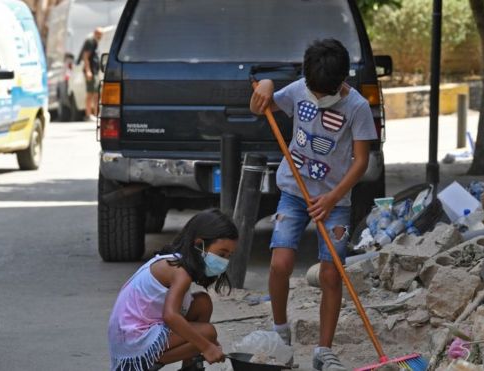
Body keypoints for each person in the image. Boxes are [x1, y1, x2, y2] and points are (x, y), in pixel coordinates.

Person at [250, 38, 377, 371]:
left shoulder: (358, 108)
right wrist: (265, 85)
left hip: (335, 200)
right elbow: (259, 107)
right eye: (315, 92)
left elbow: (361, 161)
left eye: (326, 94)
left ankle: (324, 350)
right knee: (280, 263)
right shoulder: (298, 90)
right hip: (294, 191)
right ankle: (280, 332)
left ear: (341, 82)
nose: (319, 99)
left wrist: (332, 198)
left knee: (331, 275)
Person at [107, 209, 238, 371]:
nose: (224, 261)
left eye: (228, 256)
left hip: (138, 332)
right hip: (132, 341)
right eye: (221, 254)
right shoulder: (180, 271)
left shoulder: (176, 261)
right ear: (199, 245)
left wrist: (203, 344)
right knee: (208, 333)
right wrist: (206, 346)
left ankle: (191, 367)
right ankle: (148, 362)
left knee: (202, 302)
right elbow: (170, 316)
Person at [81, 27, 102, 120]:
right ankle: (88, 115)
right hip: (91, 71)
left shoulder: (96, 43)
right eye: (99, 34)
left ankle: (96, 114)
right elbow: (85, 57)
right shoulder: (90, 42)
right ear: (95, 33)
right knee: (90, 93)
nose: (100, 36)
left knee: (97, 94)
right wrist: (88, 71)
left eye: (101, 34)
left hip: (95, 71)